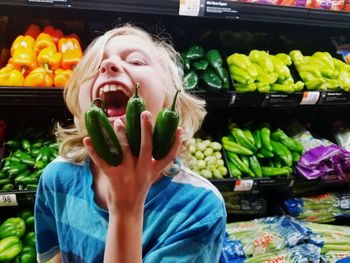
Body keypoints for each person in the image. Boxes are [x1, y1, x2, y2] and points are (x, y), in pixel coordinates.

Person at [34, 24, 227, 263]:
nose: (107, 66)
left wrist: (126, 211)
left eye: (136, 62)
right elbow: (54, 255)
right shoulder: (57, 177)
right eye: (95, 66)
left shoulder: (200, 207)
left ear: (170, 99)